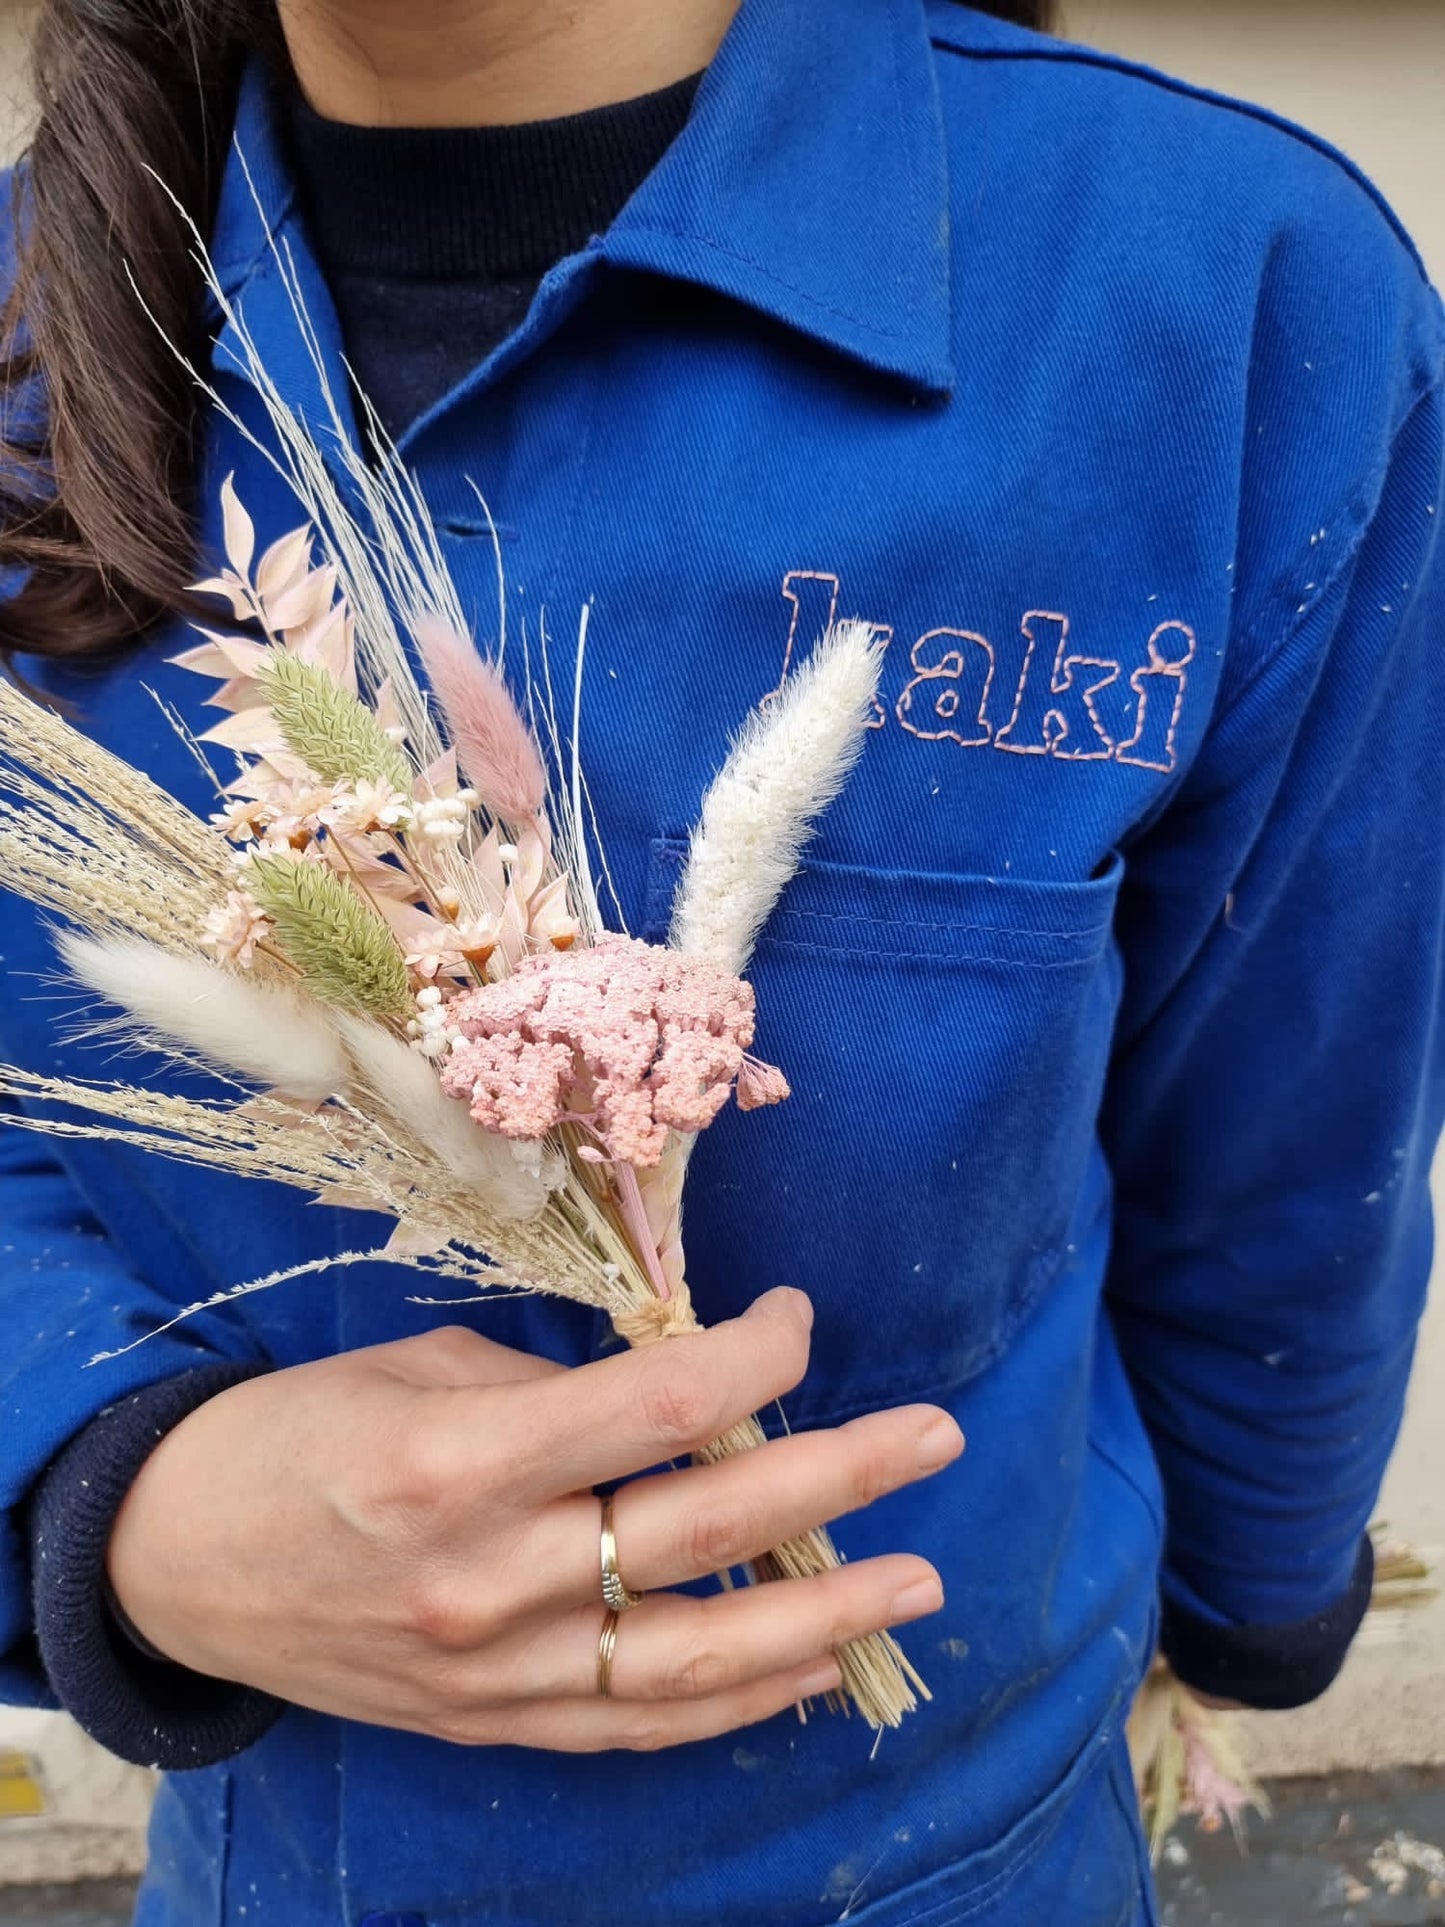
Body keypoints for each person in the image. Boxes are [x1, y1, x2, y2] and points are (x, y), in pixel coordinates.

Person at [2, 0, 1442, 1920]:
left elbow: (1290, 1151)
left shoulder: (1216, 302)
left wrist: (1247, 1619)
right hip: (278, 1854)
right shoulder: (34, 323)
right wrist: (117, 1512)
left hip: (966, 1842)